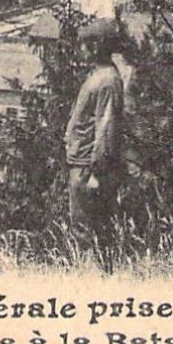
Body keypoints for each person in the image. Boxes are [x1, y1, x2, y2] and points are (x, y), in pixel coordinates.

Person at [64, 19, 125, 269]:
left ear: (97, 46)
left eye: (85, 45)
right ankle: (94, 273)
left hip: (89, 168)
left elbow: (105, 127)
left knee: (89, 229)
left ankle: (94, 278)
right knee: (85, 227)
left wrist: (96, 172)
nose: (81, 50)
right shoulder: (101, 76)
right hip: (82, 164)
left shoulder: (107, 80)